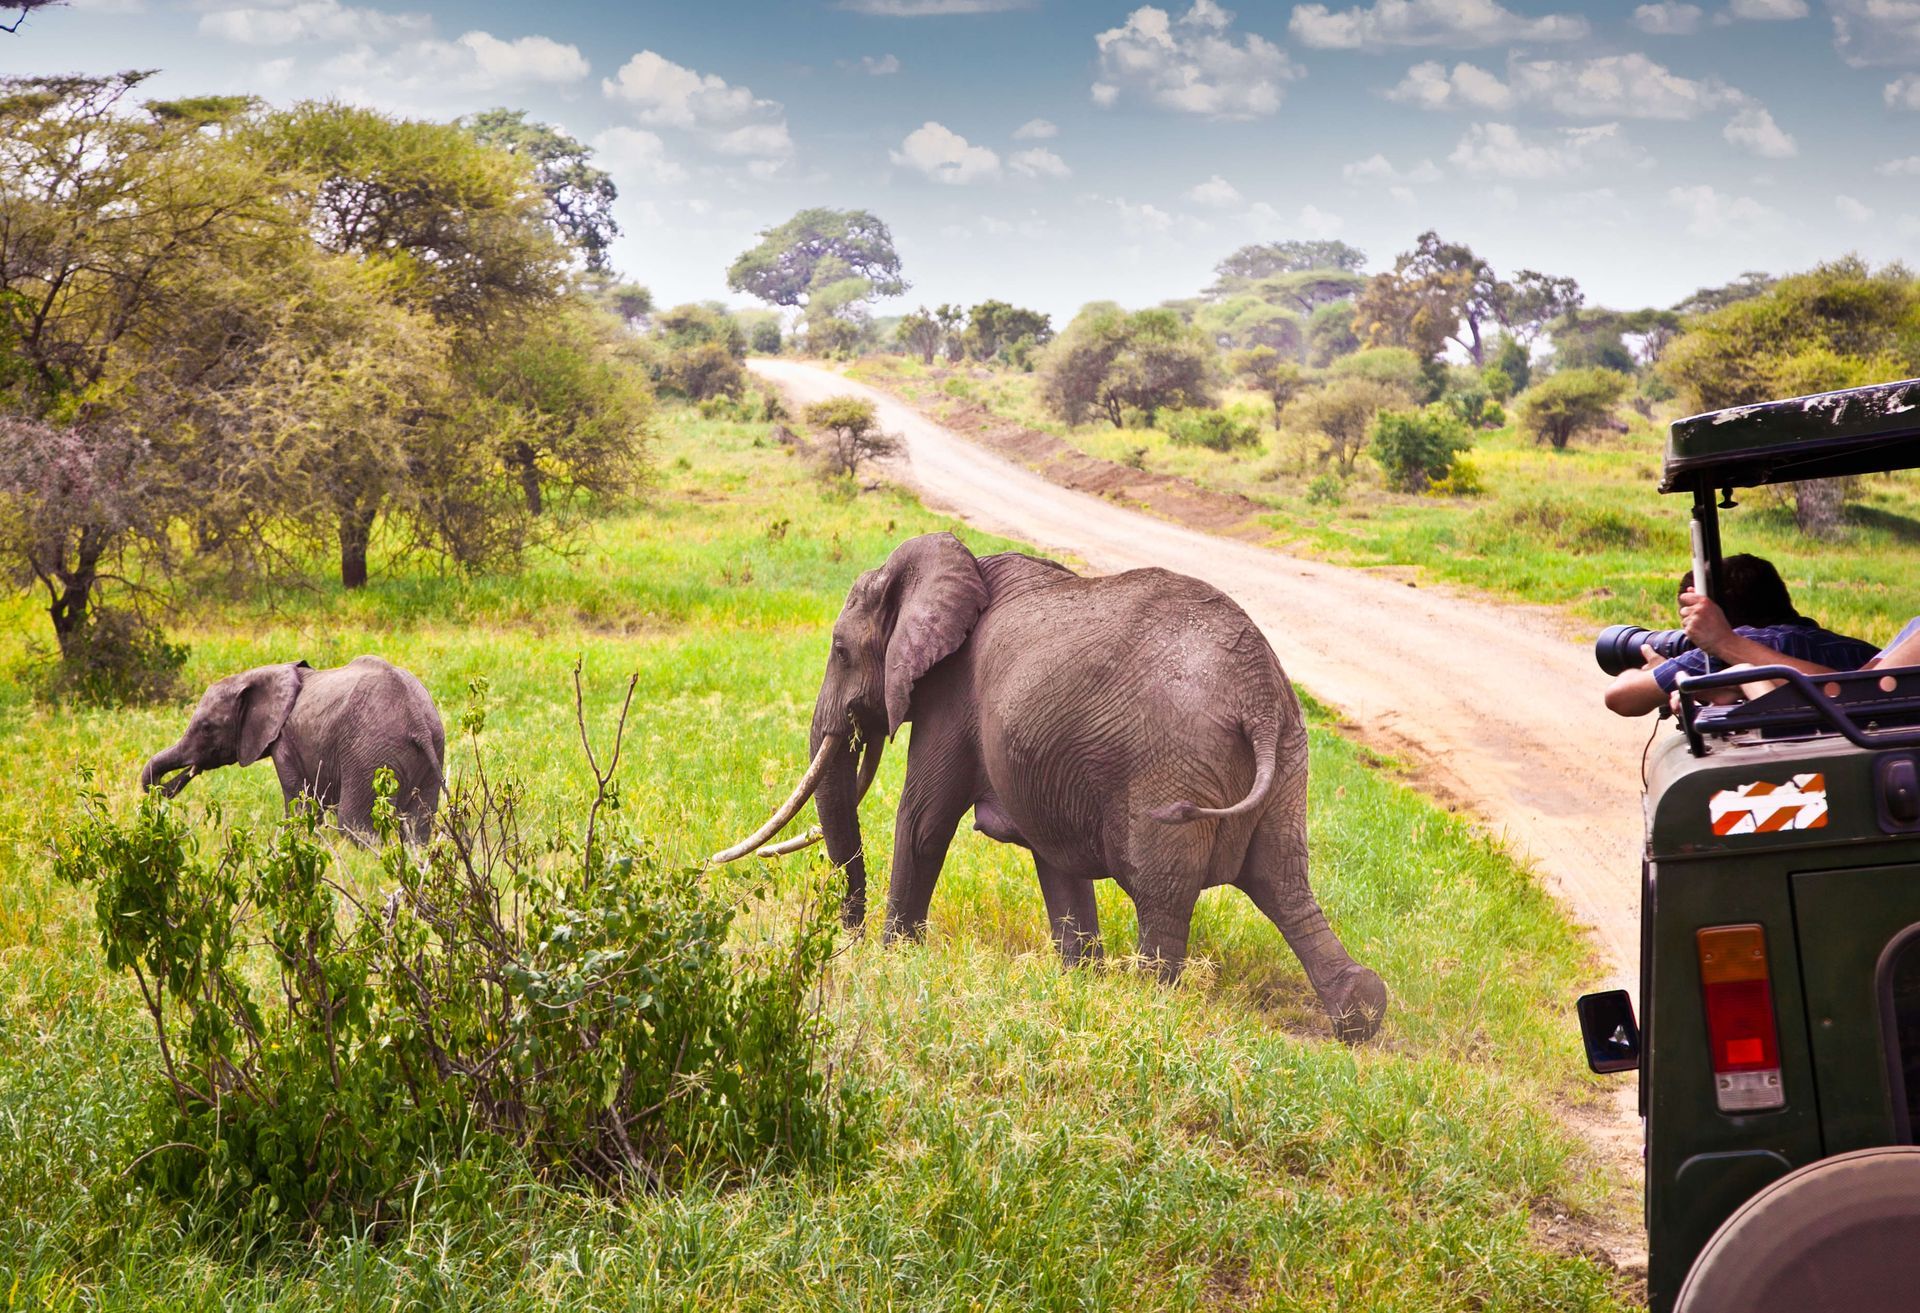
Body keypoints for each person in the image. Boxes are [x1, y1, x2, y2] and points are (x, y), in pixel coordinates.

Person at [1603, 554, 1880, 716]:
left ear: (1716, 619)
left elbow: (1620, 697)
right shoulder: (1862, 651)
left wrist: (1668, 671)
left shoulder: (1738, 645)